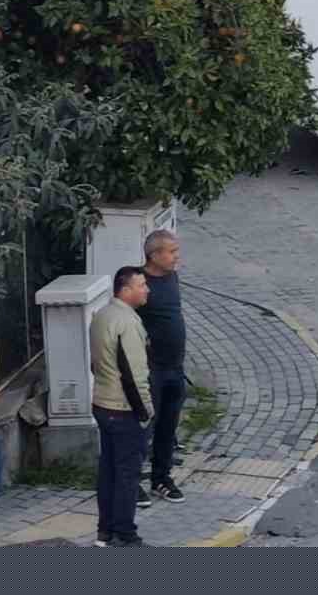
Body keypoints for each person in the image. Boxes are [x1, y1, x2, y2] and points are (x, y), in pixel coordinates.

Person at [91, 266, 154, 547]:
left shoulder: (102, 315)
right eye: (141, 285)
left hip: (102, 404)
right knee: (128, 474)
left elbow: (96, 364)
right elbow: (134, 374)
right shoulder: (127, 322)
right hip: (124, 408)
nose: (147, 289)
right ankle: (125, 535)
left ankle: (105, 530)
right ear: (125, 290)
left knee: (109, 472)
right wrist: (146, 412)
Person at [138, 229, 187, 505]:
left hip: (175, 368)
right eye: (171, 252)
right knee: (143, 427)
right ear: (154, 255)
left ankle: (161, 479)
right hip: (150, 370)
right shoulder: (138, 283)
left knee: (168, 427)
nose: (176, 257)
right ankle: (132, 481)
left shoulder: (172, 277)